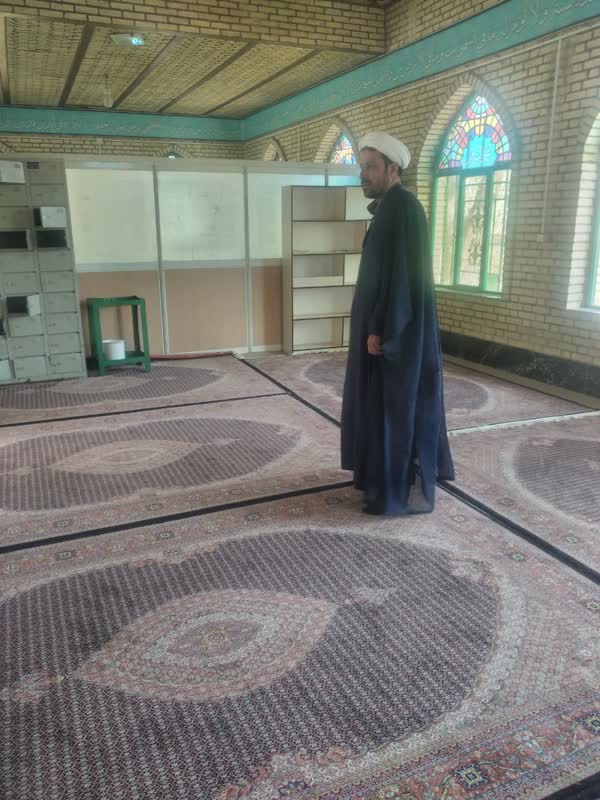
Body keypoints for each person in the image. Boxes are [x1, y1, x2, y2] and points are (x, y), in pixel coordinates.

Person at [341, 131, 455, 515]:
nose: (363, 174)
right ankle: (381, 479)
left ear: (393, 170)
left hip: (395, 332)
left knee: (395, 406)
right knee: (379, 405)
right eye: (361, 167)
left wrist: (381, 330)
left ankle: (393, 490)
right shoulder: (390, 208)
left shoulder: (403, 209)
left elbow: (401, 279)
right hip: (382, 326)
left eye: (370, 167)